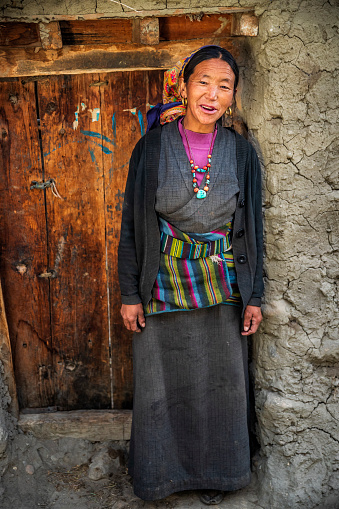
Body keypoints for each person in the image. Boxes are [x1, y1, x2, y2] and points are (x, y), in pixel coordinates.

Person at [118, 45, 263, 505]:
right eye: (203, 82)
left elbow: (252, 229)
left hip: (223, 288)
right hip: (160, 284)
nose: (212, 94)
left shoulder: (240, 153)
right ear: (183, 86)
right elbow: (131, 224)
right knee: (162, 385)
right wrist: (128, 292)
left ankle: (220, 477)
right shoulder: (152, 147)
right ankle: (163, 477)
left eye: (224, 86)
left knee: (221, 386)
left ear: (233, 97)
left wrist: (254, 296)